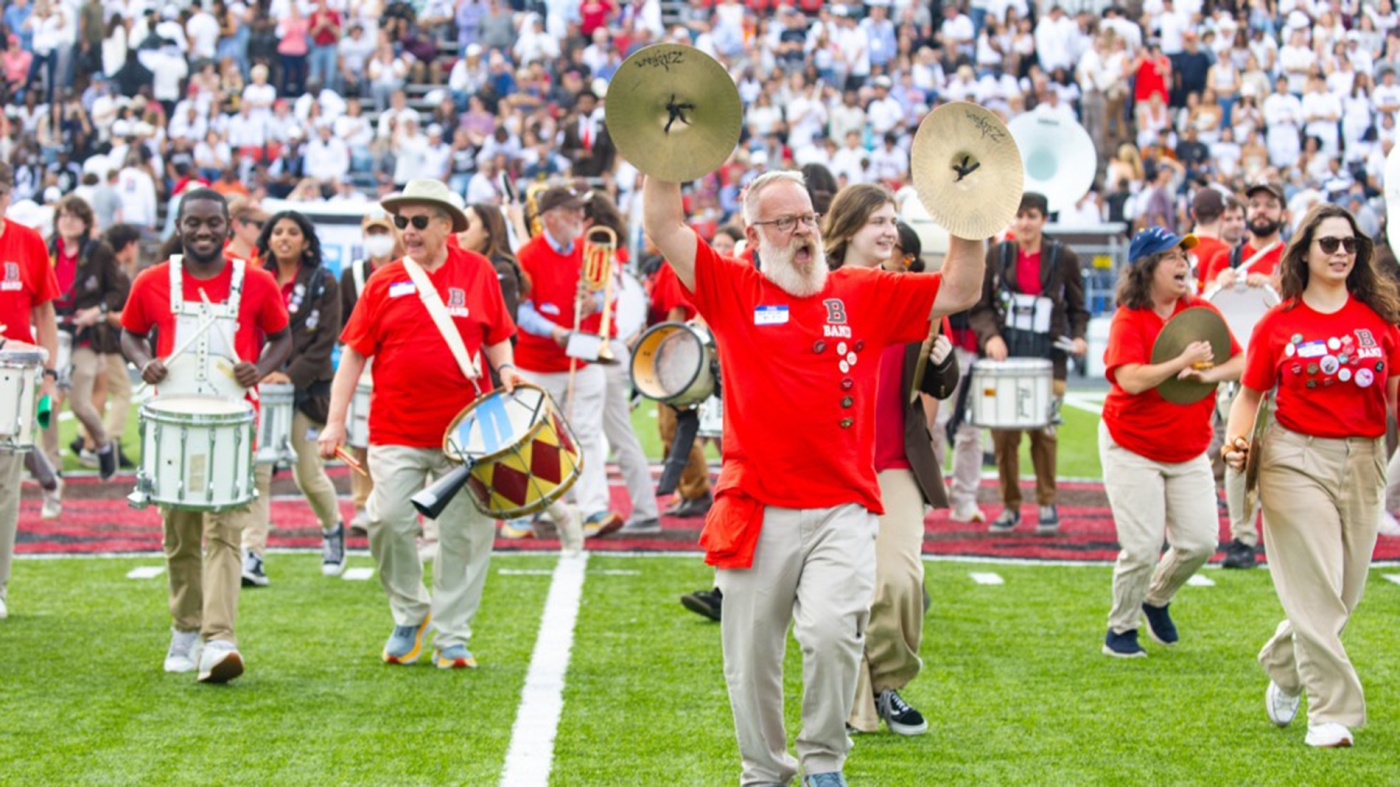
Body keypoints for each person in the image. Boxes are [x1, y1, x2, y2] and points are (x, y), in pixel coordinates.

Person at [642, 167, 986, 786]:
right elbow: (665, 226)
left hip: (842, 505)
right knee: (750, 661)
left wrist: (972, 211)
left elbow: (961, 287)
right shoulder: (732, 287)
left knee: (831, 636)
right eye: (785, 222)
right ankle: (764, 771)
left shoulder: (860, 289)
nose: (802, 231)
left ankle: (825, 763)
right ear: (754, 235)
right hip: (755, 504)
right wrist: (661, 152)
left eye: (806, 218)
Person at [317, 179, 535, 669]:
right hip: (395, 430)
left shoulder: (478, 272)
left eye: (418, 222)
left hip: (467, 433)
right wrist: (334, 424)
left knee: (465, 536)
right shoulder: (382, 281)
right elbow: (352, 357)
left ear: (444, 224)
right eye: (402, 222)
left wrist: (506, 369)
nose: (407, 231)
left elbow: (497, 335)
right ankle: (411, 612)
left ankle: (453, 636)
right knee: (386, 520)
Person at [1224, 203, 1400, 749]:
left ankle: (1284, 662)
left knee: (1341, 595)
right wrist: (1237, 444)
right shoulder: (1279, 324)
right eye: (1328, 244)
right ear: (1304, 252)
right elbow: (1248, 396)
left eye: (1350, 244)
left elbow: (1394, 397)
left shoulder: (1380, 323)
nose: (1341, 253)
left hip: (1365, 459)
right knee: (1318, 589)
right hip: (1292, 459)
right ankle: (1331, 714)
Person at [120, 187, 293, 683]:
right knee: (180, 532)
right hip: (172, 423)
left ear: (228, 226)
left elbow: (283, 337)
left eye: (213, 223)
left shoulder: (256, 282)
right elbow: (129, 332)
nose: (203, 231)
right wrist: (142, 362)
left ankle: (219, 638)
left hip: (234, 422)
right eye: (193, 223)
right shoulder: (153, 281)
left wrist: (258, 370)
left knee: (226, 529)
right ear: (178, 226)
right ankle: (184, 627)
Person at [824, 187, 960, 737]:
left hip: (895, 458)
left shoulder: (912, 297)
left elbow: (938, 384)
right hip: (830, 457)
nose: (888, 232)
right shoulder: (818, 290)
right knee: (844, 591)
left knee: (900, 581)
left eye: (892, 223)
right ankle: (863, 700)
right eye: (877, 221)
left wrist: (945, 366)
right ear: (847, 227)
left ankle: (887, 682)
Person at [1099, 227, 1244, 658]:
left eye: (1185, 256)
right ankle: (1120, 630)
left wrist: (1207, 374)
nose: (1183, 264)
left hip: (1187, 447)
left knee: (1201, 542)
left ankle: (1155, 599)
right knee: (1143, 546)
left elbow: (1240, 360)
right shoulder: (1130, 317)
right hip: (1131, 444)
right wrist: (1180, 360)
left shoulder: (1199, 310)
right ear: (1146, 269)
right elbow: (1129, 378)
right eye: (1171, 257)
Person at [969, 192, 1089, 534]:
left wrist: (1078, 336)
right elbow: (981, 307)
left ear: (1044, 220)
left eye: (1032, 216)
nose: (1024, 223)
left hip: (1049, 358)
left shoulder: (1062, 257)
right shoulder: (998, 254)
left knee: (1045, 433)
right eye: (1019, 216)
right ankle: (1010, 506)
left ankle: (1047, 503)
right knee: (1004, 436)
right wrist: (991, 336)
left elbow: (1078, 307)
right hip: (1007, 358)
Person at [241, 210, 346, 586]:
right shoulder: (255, 279)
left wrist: (286, 375)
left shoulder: (323, 282)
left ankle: (333, 528)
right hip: (262, 390)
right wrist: (259, 372)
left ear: (306, 240)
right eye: (278, 232)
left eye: (293, 232)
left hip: (305, 391)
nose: (284, 238)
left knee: (307, 474)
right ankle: (252, 555)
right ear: (267, 239)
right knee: (259, 471)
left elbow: (324, 343)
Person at [512, 186, 623, 538]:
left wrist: (593, 301)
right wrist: (554, 330)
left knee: (587, 434)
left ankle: (593, 509)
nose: (580, 217)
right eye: (571, 211)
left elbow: (607, 290)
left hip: (583, 356)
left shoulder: (588, 249)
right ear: (550, 217)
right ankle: (527, 511)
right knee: (533, 438)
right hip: (537, 361)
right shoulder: (526, 255)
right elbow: (520, 310)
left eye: (579, 210)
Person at [1202, 182, 1289, 568]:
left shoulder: (1291, 259)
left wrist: (1275, 286)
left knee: (1281, 457)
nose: (1261, 211)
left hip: (1282, 372)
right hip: (1240, 370)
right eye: (1255, 204)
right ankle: (1242, 536)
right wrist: (1215, 284)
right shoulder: (1227, 256)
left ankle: (1282, 535)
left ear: (1282, 213)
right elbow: (1204, 307)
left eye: (1270, 205)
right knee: (1239, 453)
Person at [0, 161, 61, 621]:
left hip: (14, 374)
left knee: (5, 482)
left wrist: (50, 374)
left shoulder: (28, 242)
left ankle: (0, 585)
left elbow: (44, 314)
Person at [581, 190, 662, 535]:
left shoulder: (596, 251)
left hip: (601, 347)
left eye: (579, 218)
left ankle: (641, 510)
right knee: (607, 434)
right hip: (605, 346)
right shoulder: (612, 251)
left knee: (611, 435)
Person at [40, 195, 122, 485]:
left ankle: (102, 444)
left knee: (79, 402)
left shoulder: (99, 251)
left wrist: (96, 312)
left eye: (75, 216)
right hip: (52, 331)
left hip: (85, 335)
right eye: (63, 215)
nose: (68, 221)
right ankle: (52, 463)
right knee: (46, 401)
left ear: (85, 221)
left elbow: (116, 292)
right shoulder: (47, 247)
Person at [339, 208, 402, 534]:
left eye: (384, 230)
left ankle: (387, 500)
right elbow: (344, 323)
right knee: (360, 441)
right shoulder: (352, 274)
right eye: (372, 231)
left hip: (395, 368)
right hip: (363, 368)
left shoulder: (406, 270)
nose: (378, 238)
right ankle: (362, 504)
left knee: (392, 442)